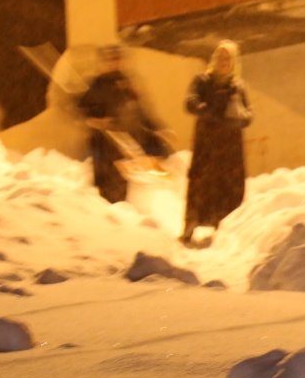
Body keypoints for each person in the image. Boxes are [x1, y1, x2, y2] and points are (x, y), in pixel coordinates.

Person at [77, 44, 171, 203]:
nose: (113, 63)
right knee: (104, 184)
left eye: (116, 59)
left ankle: (119, 215)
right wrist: (96, 121)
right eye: (109, 59)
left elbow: (140, 109)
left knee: (121, 184)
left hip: (122, 142)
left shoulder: (126, 82)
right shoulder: (96, 85)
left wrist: (158, 128)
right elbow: (82, 110)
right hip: (102, 143)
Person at [181, 39, 252, 245]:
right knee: (201, 183)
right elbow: (190, 102)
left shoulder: (237, 87)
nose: (223, 61)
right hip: (207, 144)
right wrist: (209, 112)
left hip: (230, 147)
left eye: (228, 58)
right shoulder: (202, 81)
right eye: (220, 57)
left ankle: (224, 225)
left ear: (233, 62)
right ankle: (191, 224)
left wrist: (241, 117)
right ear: (214, 59)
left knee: (228, 185)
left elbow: (249, 114)